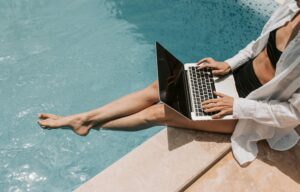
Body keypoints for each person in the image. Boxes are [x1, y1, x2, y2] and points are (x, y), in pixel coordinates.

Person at [38, 0, 300, 164]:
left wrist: (236, 107)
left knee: (159, 112)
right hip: (231, 81)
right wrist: (229, 64)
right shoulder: (290, 9)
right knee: (158, 86)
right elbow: (257, 46)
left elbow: (293, 114)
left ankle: (85, 123)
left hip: (248, 111)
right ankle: (83, 119)